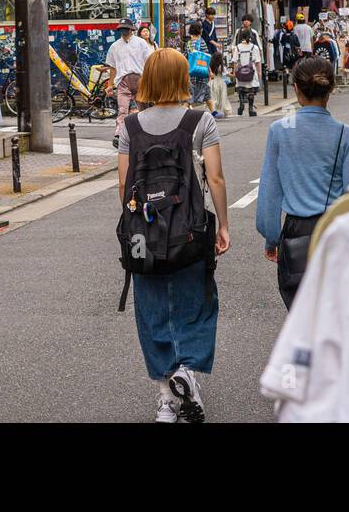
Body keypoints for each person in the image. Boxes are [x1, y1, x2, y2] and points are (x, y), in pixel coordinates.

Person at [117, 48, 230, 422]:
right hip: (190, 232)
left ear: (148, 80)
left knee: (151, 311)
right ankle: (186, 370)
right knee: (196, 303)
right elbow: (215, 177)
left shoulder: (131, 127)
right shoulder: (200, 121)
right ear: (183, 80)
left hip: (144, 237)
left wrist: (137, 224)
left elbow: (124, 185)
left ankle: (166, 399)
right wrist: (223, 225)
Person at [256, 57, 349, 309]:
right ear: (331, 89)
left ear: (296, 89)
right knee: (334, 315)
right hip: (334, 233)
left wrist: (271, 239)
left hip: (295, 234)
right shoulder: (347, 135)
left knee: (301, 315)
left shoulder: (279, 131)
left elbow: (270, 193)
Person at [105, 18, 152, 148]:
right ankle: (119, 135)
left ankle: (145, 134)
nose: (123, 31)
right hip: (123, 82)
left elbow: (149, 63)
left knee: (143, 109)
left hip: (140, 80)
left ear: (132, 30)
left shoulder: (141, 43)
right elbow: (113, 67)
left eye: (126, 28)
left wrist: (150, 80)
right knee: (122, 110)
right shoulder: (115, 46)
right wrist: (110, 85)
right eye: (121, 29)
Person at [232, 28, 263, 116]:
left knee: (241, 89)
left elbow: (235, 62)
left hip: (240, 73)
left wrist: (235, 73)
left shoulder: (237, 47)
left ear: (241, 36)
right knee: (251, 90)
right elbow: (258, 62)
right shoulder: (254, 48)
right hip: (251, 73)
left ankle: (241, 105)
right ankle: (250, 109)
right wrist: (259, 73)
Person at [185, 20, 213, 113]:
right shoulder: (202, 42)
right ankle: (213, 112)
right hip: (202, 72)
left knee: (190, 94)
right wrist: (210, 72)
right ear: (199, 30)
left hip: (191, 73)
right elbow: (206, 58)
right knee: (206, 93)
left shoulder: (188, 43)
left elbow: (186, 57)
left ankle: (213, 111)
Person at [208, 51, 230, 119]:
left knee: (213, 97)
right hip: (220, 83)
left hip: (212, 83)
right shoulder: (221, 66)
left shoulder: (210, 65)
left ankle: (213, 111)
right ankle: (221, 111)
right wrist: (235, 75)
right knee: (221, 98)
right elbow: (226, 74)